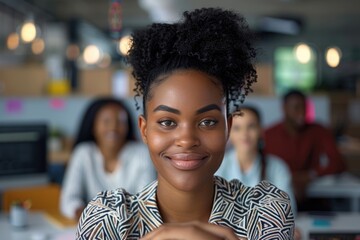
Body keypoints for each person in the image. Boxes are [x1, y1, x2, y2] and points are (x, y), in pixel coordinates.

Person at [77, 8, 294, 239]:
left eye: (208, 121)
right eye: (168, 122)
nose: (187, 140)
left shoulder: (264, 214)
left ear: (228, 127)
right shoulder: (108, 220)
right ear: (144, 130)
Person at [60, 97, 156, 220]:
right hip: (93, 227)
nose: (113, 127)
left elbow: (146, 202)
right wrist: (88, 217)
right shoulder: (83, 153)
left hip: (130, 227)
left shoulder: (141, 154)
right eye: (106, 121)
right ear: (93, 126)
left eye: (120, 121)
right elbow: (68, 199)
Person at [264, 89, 346, 202]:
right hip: (276, 198)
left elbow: (338, 163)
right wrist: (288, 178)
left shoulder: (319, 131)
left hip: (314, 196)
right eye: (296, 107)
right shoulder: (269, 134)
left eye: (304, 107)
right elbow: (260, 165)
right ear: (284, 108)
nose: (302, 112)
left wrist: (310, 175)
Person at [216, 106, 297, 213]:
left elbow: (288, 211)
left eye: (251, 126)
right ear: (229, 133)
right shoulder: (218, 165)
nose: (244, 134)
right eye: (237, 128)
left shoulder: (278, 168)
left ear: (261, 130)